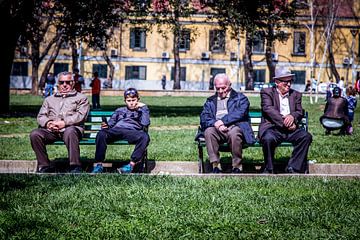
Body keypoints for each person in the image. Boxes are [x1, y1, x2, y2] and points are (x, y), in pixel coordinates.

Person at [30, 72, 90, 173]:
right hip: (52, 131)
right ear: (58, 84)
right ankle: (44, 166)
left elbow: (81, 115)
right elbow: (41, 116)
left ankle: (75, 166)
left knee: (70, 131)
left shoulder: (81, 98)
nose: (64, 85)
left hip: (72, 130)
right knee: (35, 134)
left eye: (68, 82)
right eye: (62, 82)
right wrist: (48, 123)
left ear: (73, 83)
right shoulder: (49, 99)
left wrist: (64, 123)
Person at [259, 67, 312, 174]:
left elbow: (299, 111)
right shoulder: (267, 92)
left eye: (290, 81)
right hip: (273, 127)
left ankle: (293, 167)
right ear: (277, 82)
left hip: (291, 129)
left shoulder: (296, 94)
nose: (288, 84)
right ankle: (269, 168)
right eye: (285, 82)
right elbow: (268, 109)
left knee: (306, 137)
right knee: (267, 138)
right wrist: (285, 123)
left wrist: (292, 116)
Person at [199, 73, 255, 174]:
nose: (220, 91)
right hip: (217, 129)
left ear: (229, 85)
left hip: (234, 127)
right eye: (217, 88)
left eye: (223, 88)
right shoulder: (210, 101)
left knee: (235, 133)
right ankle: (215, 165)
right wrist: (216, 124)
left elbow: (240, 113)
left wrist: (223, 121)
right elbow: (204, 118)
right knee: (208, 132)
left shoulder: (240, 98)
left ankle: (237, 166)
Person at [92, 88, 150, 174]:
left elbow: (145, 123)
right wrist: (106, 126)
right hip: (116, 130)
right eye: (128, 100)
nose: (131, 103)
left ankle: (130, 165)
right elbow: (111, 124)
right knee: (101, 134)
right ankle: (99, 164)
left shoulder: (142, 111)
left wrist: (144, 108)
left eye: (134, 100)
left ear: (138, 100)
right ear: (125, 101)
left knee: (145, 137)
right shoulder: (120, 110)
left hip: (132, 132)